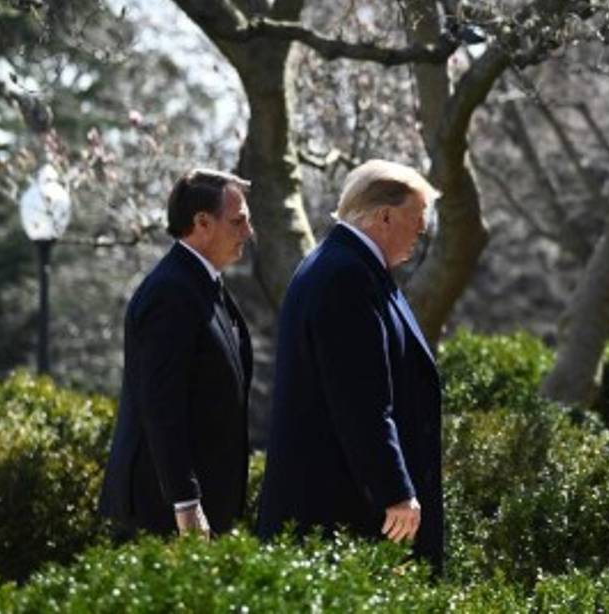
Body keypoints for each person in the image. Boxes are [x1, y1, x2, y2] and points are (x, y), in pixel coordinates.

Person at [257, 159, 444, 573]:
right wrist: (395, 490)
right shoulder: (345, 276)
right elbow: (360, 400)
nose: (422, 231)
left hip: (345, 502)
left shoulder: (352, 267)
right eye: (418, 219)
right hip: (343, 510)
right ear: (385, 216)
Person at [98, 169, 254, 538]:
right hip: (164, 514)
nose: (248, 232)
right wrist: (185, 503)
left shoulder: (203, 284)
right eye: (238, 221)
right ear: (202, 223)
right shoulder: (171, 292)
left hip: (199, 506)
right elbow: (160, 406)